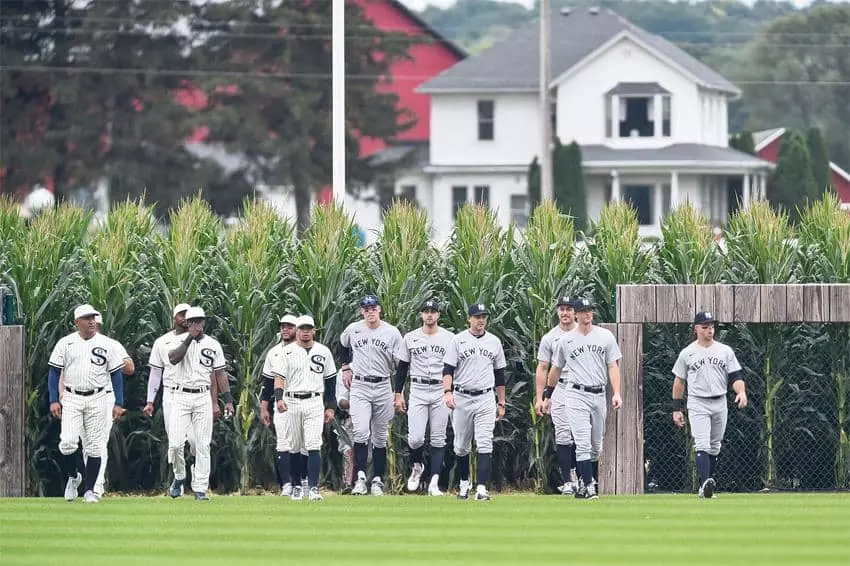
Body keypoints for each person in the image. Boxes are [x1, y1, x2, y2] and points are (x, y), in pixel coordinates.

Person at [48, 304, 126, 503]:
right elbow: (54, 372)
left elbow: (116, 374)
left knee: (94, 446)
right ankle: (74, 477)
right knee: (67, 442)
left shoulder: (107, 344)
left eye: (93, 317)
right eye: (86, 318)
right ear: (77, 322)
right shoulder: (65, 343)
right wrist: (53, 400)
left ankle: (90, 490)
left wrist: (119, 402)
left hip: (98, 397)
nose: (91, 321)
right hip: (72, 396)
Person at [544, 298, 621, 500]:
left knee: (597, 446)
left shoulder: (605, 336)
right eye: (584, 311)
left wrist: (617, 392)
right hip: (575, 393)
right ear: (577, 315)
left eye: (590, 311)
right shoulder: (565, 341)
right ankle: (588, 485)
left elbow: (613, 365)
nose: (588, 314)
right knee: (582, 440)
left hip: (598, 393)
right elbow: (555, 369)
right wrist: (547, 395)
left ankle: (585, 481)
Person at [672, 311, 748, 498]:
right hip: (698, 402)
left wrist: (741, 392)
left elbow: (736, 376)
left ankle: (706, 486)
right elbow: (679, 381)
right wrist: (676, 408)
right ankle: (706, 482)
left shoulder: (725, 351)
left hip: (720, 401)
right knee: (702, 443)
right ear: (696, 328)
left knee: (715, 446)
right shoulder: (687, 353)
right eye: (705, 327)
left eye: (712, 327)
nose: (709, 331)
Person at [165, 307, 233, 500]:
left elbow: (220, 373)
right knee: (176, 444)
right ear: (186, 323)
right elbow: (173, 358)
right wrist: (189, 338)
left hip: (202, 396)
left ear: (204, 322)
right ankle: (179, 476)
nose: (196, 325)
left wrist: (227, 400)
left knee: (203, 444)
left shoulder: (213, 344)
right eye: (192, 321)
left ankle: (200, 488)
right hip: (181, 396)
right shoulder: (178, 341)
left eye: (199, 321)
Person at [338, 294, 403, 496]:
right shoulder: (354, 329)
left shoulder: (392, 332)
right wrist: (346, 367)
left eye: (373, 308)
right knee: (361, 432)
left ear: (379, 309)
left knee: (380, 437)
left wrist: (399, 392)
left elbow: (402, 363)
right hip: (360, 385)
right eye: (366, 309)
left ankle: (377, 480)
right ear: (362, 311)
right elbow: (342, 345)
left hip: (383, 384)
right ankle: (360, 478)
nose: (370, 312)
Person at [442, 302, 507, 501]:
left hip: (486, 397)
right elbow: (448, 369)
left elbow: (500, 374)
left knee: (484, 442)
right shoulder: (458, 340)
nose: (480, 321)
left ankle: (481, 488)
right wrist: (447, 392)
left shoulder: (494, 341)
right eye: (477, 317)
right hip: (462, 396)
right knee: (461, 446)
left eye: (483, 317)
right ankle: (463, 484)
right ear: (469, 318)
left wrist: (501, 402)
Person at [271, 315, 338, 501]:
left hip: (315, 400)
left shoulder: (323, 351)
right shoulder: (287, 352)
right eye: (302, 329)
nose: (306, 332)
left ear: (314, 331)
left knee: (313, 444)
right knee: (294, 445)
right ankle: (297, 486)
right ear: (297, 331)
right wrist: (279, 399)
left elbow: (330, 381)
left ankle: (314, 487)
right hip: (292, 400)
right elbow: (279, 378)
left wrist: (330, 407)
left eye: (309, 329)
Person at [145, 303, 206, 498]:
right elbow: (155, 373)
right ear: (175, 317)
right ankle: (179, 476)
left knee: (197, 442)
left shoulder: (202, 341)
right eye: (181, 315)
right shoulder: (162, 342)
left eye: (188, 315)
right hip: (173, 394)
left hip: (196, 394)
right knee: (176, 444)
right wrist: (150, 400)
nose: (185, 318)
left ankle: (198, 483)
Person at [394, 298, 454, 496]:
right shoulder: (410, 337)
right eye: (426, 311)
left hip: (440, 389)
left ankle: (434, 482)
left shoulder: (449, 338)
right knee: (415, 438)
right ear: (421, 314)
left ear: (438, 315)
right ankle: (417, 466)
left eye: (433, 311)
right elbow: (402, 368)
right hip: (418, 389)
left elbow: (454, 367)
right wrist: (398, 394)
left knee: (438, 438)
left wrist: (451, 391)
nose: (429, 314)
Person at [535, 296, 578, 494]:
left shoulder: (584, 334)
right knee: (563, 434)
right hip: (559, 387)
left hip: (581, 386)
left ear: (575, 311)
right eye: (562, 309)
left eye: (569, 309)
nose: (565, 313)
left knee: (581, 434)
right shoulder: (550, 337)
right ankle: (568, 480)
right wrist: (541, 397)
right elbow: (543, 367)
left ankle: (583, 476)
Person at [259, 314, 300, 497]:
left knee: (303, 444)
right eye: (283, 326)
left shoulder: (306, 350)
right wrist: (264, 407)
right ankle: (287, 484)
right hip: (281, 402)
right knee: (283, 443)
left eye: (289, 326)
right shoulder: (274, 352)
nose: (285, 329)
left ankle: (304, 481)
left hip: (303, 401)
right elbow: (268, 383)